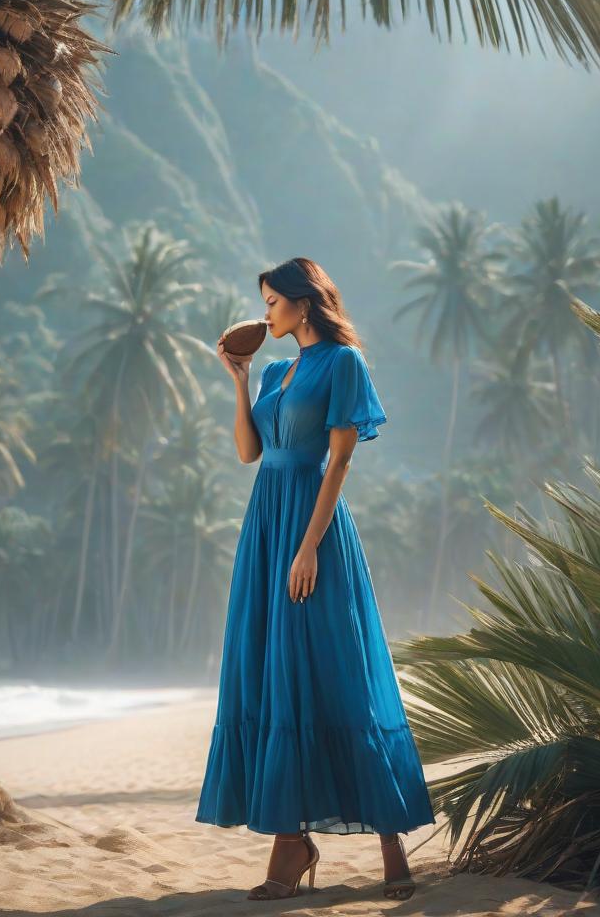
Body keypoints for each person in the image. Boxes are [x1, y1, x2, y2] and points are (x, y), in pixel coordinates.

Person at [196, 257, 435, 901]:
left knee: (342, 671)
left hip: (312, 529)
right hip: (265, 526)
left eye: (274, 301)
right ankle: (293, 842)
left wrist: (309, 549)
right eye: (264, 302)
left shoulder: (343, 364)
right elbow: (250, 454)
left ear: (304, 304)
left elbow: (338, 463)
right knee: (277, 673)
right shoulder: (274, 370)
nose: (265, 312)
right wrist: (240, 382)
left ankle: (391, 843)